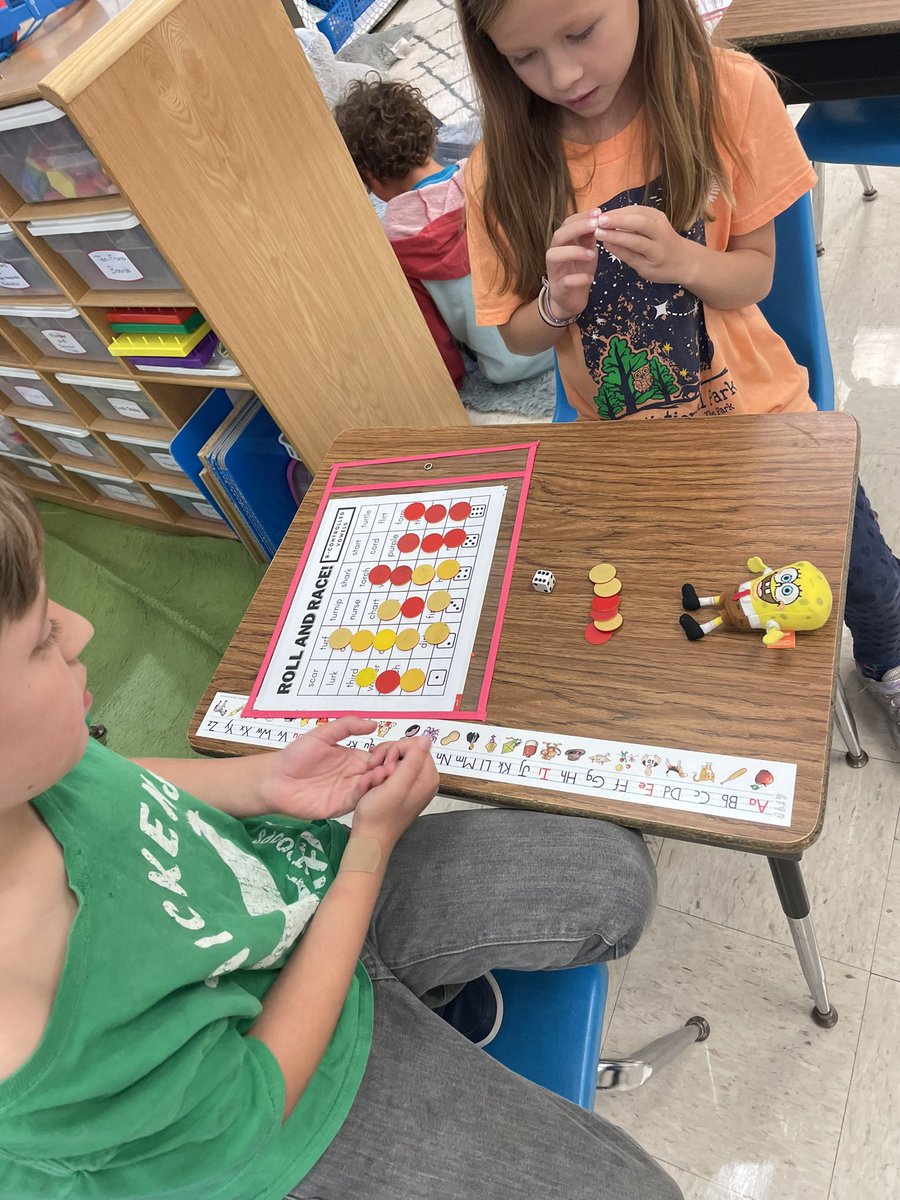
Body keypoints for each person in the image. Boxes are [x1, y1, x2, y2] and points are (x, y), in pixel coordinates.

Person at [0, 475, 677, 1200]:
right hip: (288, 1105)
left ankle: (425, 997)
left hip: (293, 902)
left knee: (613, 878)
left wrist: (265, 782)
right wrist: (369, 850)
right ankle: (411, 1012)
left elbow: (109, 780)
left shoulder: (28, 769)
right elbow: (255, 1102)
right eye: (41, 640)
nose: (80, 628)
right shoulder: (19, 1019)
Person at [459, 0, 900, 741]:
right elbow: (518, 331)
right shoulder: (497, 168)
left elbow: (756, 275)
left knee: (864, 569)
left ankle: (886, 658)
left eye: (580, 33)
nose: (562, 76)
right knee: (678, 605)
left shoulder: (727, 92)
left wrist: (684, 260)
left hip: (763, 415)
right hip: (629, 451)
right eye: (524, 56)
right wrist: (557, 303)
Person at [334, 78, 554, 388]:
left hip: (505, 366)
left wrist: (451, 380)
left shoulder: (394, 246)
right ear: (428, 136)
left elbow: (430, 331)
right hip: (558, 331)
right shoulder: (489, 177)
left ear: (370, 178)